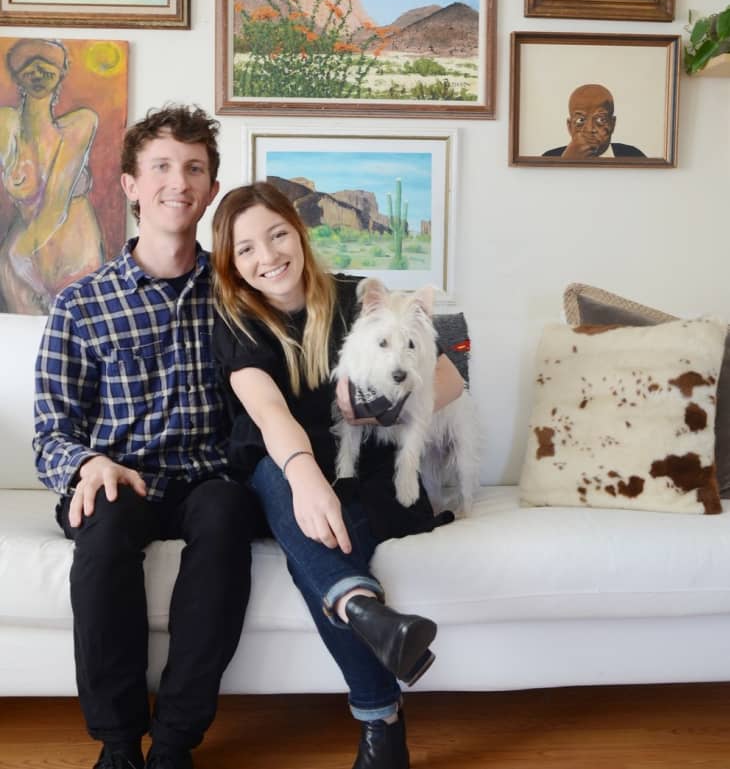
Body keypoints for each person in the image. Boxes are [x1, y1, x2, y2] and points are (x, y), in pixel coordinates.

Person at [34, 105, 260, 769]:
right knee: (101, 528)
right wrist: (89, 462)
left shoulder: (239, 288)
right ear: (130, 184)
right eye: (161, 166)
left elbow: (325, 314)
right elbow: (51, 429)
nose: (178, 181)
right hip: (122, 476)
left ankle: (175, 741)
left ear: (212, 188)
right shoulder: (81, 303)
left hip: (209, 477)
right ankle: (116, 742)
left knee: (226, 513)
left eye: (194, 168)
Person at [210, 181, 464, 769]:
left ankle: (364, 641)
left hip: (369, 477)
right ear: (230, 261)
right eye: (245, 248)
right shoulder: (235, 321)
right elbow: (269, 414)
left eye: (277, 235)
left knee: (313, 555)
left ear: (299, 234)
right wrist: (306, 478)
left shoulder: (360, 299)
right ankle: (375, 663)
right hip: (282, 473)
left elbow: (450, 377)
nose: (267, 257)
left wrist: (382, 408)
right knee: (283, 482)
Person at [0, 38, 104, 313]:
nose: (37, 76)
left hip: (73, 259)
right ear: (17, 76)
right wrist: (16, 260)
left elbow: (55, 207)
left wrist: (17, 254)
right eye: (29, 70)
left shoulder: (80, 124)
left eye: (46, 70)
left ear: (61, 73)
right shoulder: (6, 124)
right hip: (21, 264)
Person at [542, 83, 645, 159]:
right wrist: (567, 162)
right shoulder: (549, 158)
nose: (590, 129)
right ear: (569, 126)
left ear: (612, 124)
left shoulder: (634, 156)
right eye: (580, 120)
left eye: (600, 119)